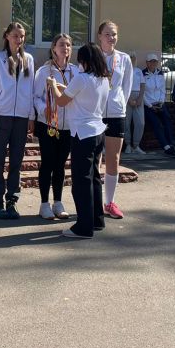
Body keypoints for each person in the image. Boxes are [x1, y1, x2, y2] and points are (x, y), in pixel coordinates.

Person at [49, 42, 111, 239]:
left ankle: (84, 227)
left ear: (84, 60)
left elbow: (61, 101)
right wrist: (63, 87)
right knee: (94, 178)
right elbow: (78, 94)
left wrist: (53, 86)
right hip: (98, 132)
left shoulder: (81, 78)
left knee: (81, 182)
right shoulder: (103, 79)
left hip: (82, 134)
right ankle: (96, 220)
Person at [0, 22, 35, 219]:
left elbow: (30, 90)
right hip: (1, 116)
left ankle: (12, 202)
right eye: (15, 36)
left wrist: (31, 116)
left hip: (21, 118)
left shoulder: (28, 59)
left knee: (16, 162)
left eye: (22, 36)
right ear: (7, 36)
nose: (19, 39)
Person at [95, 21, 135, 220]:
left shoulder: (124, 58)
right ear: (99, 36)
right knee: (95, 158)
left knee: (114, 158)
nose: (111, 38)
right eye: (107, 34)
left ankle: (109, 202)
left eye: (114, 34)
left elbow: (126, 87)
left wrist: (119, 104)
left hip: (116, 113)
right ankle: (94, 203)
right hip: (95, 113)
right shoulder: (93, 56)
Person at [33, 34, 75, 220]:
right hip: (49, 125)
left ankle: (58, 202)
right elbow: (36, 97)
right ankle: (44, 204)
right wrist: (44, 109)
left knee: (60, 165)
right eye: (61, 45)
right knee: (48, 163)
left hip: (68, 126)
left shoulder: (75, 71)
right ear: (53, 48)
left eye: (68, 45)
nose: (65, 48)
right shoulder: (44, 71)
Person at [141, 53, 175, 157]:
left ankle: (170, 144)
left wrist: (161, 102)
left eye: (155, 61)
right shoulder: (142, 74)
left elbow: (162, 90)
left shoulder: (160, 74)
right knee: (156, 123)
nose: (153, 63)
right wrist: (150, 106)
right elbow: (142, 93)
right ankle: (166, 147)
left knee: (167, 120)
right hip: (148, 105)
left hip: (160, 104)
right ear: (147, 63)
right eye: (151, 61)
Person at [125, 52, 147, 156]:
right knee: (126, 122)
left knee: (140, 122)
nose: (132, 59)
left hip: (138, 97)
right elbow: (122, 86)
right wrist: (129, 99)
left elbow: (142, 85)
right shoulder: (124, 70)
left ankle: (136, 145)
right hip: (127, 97)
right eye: (130, 57)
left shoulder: (138, 71)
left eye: (133, 57)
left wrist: (140, 99)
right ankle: (128, 145)